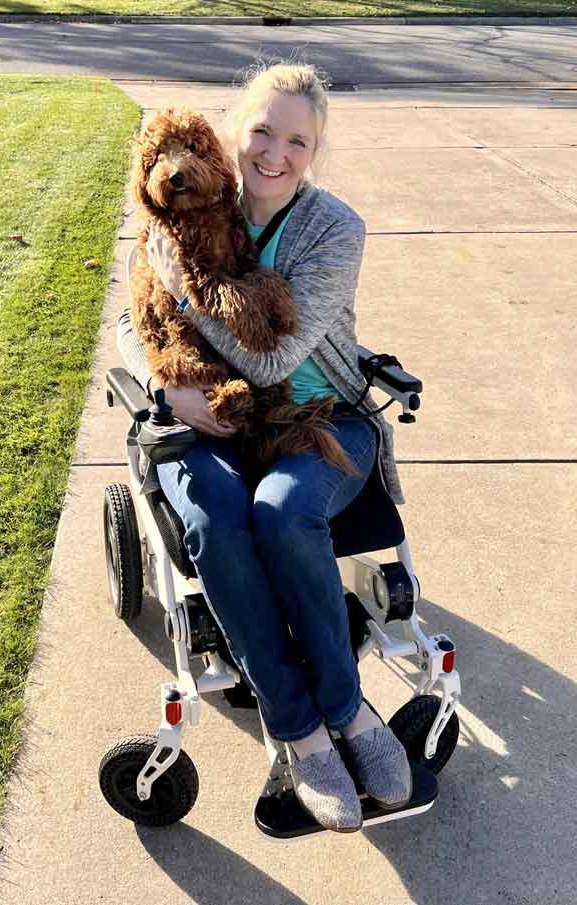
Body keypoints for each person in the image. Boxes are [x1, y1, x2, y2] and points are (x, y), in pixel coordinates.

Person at [117, 61, 411, 833]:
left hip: (316, 414)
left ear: (315, 151)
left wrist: (186, 292)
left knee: (282, 513)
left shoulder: (335, 228)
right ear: (231, 134)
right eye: (260, 132)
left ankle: (350, 713)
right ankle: (302, 731)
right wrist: (167, 388)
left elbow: (275, 361)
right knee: (213, 519)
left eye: (297, 141)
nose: (274, 153)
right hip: (208, 414)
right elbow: (129, 319)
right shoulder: (185, 206)